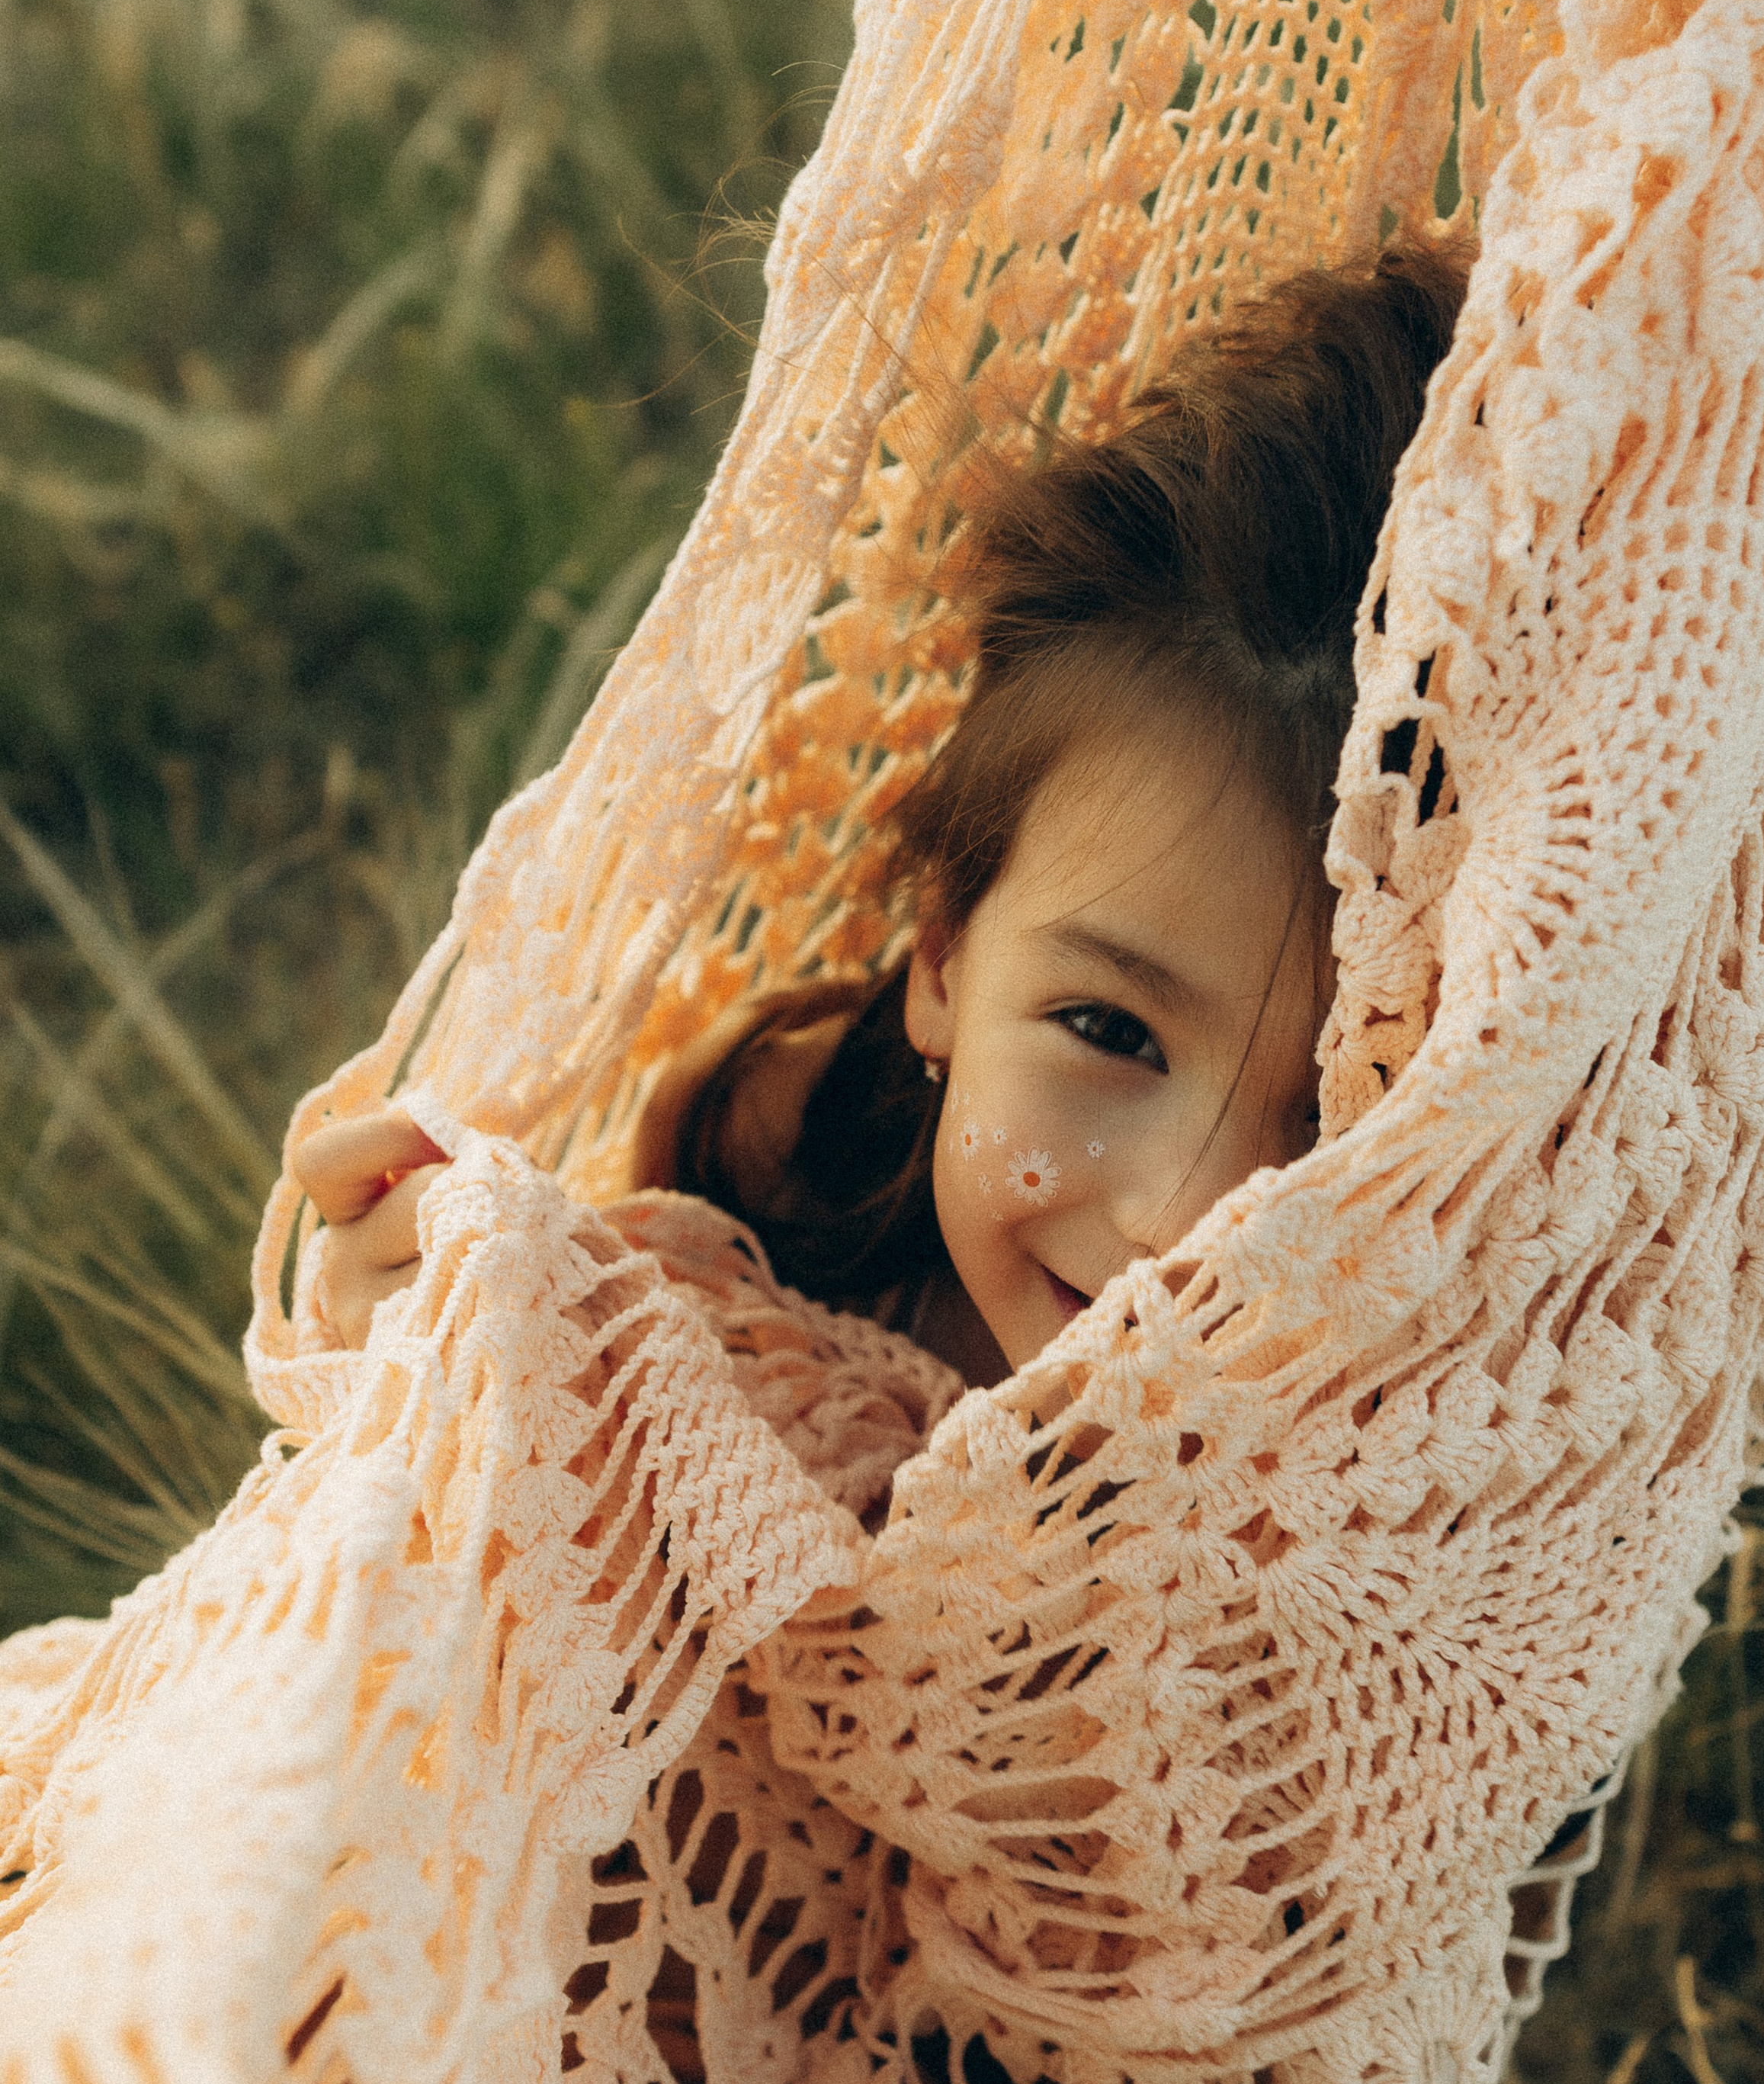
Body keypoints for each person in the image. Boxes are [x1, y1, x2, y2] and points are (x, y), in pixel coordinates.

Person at [295, 239, 1471, 1387]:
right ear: (944, 954)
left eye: (1345, 1112)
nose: (1183, 1221)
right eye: (1110, 1031)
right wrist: (427, 1323)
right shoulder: (782, 1157)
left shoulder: (1439, 1420)